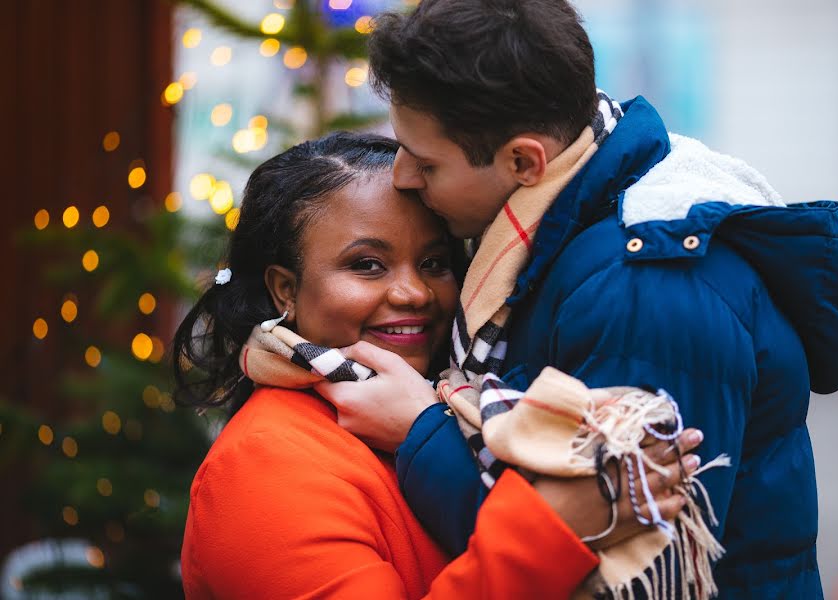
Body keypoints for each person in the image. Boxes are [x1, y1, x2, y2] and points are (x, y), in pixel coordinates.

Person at [314, 0, 838, 597]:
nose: (402, 177)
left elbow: (620, 562)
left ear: (525, 161)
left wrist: (420, 430)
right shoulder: (574, 220)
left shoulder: (644, 289)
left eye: (427, 163)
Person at [174, 132, 703, 599]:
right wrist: (554, 527)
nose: (414, 293)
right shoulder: (264, 466)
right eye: (366, 265)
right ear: (285, 288)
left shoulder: (463, 402)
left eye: (434, 263)